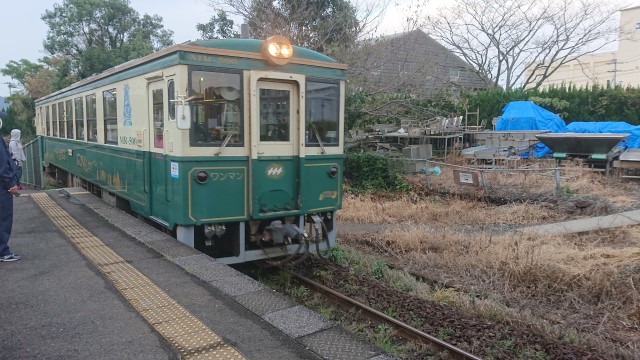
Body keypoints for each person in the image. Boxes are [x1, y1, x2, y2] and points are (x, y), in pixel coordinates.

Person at [0, 119, 21, 262]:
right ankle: (3, 251)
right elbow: (2, 164)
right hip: (2, 186)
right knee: (4, 218)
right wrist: (11, 183)